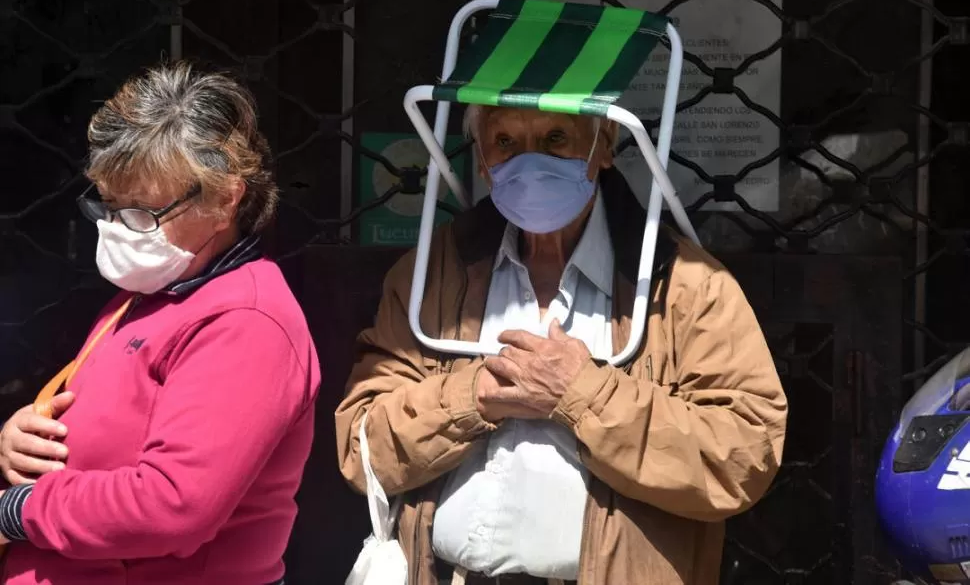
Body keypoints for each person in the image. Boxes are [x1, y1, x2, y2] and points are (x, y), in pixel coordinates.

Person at [335, 105, 788, 585]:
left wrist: (584, 395)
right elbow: (360, 448)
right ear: (483, 162)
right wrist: (471, 397)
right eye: (505, 142)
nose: (530, 162)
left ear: (604, 146)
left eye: (555, 138)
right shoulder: (434, 275)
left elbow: (742, 455)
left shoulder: (685, 285)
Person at [0, 61, 321, 585]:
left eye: (143, 212)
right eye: (110, 204)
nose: (120, 228)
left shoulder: (247, 321)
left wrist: (18, 510)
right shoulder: (152, 292)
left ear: (224, 198)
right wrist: (20, 441)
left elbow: (173, 504)